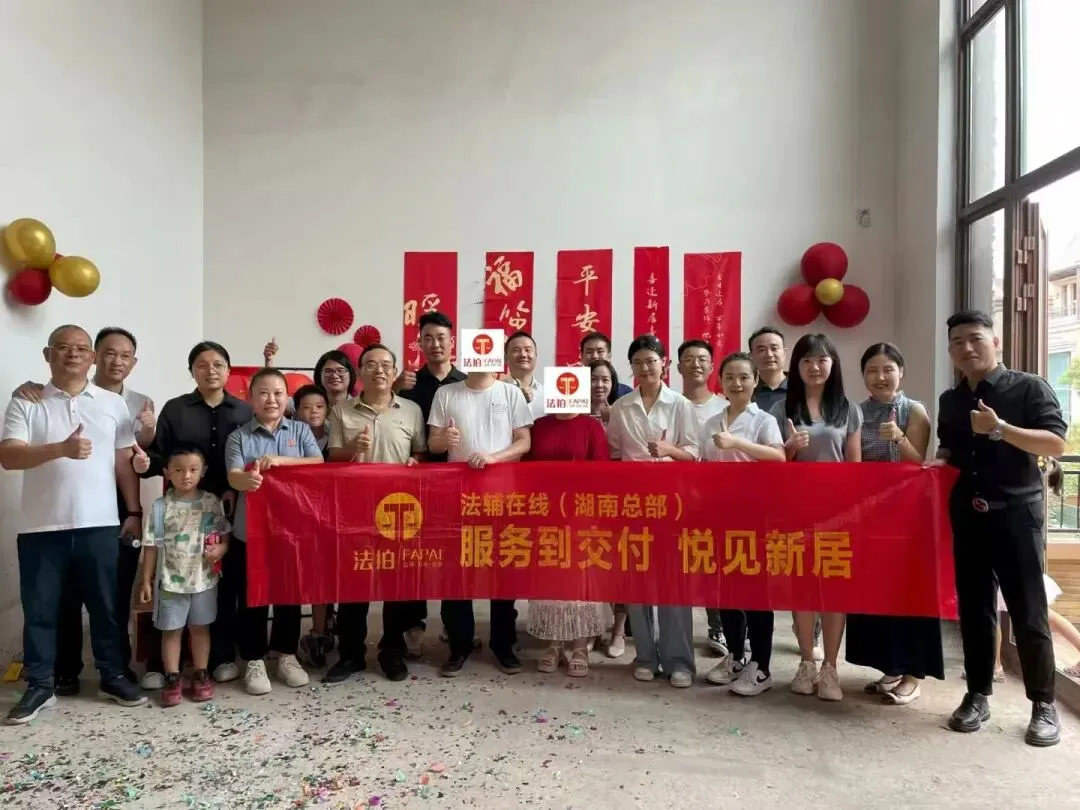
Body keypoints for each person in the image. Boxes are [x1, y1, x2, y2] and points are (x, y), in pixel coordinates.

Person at [1, 324, 148, 724]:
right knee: (40, 610)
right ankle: (40, 685)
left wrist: (134, 512)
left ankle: (112, 676)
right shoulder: (26, 401)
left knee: (106, 607)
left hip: (100, 524)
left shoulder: (112, 404)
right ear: (48, 355)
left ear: (92, 357)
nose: (73, 354)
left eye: (81, 348)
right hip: (40, 527)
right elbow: (9, 456)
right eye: (63, 347)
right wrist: (60, 449)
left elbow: (123, 462)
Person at [933, 309, 1064, 747]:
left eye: (975, 338)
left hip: (1017, 516)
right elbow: (949, 447)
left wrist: (1001, 428)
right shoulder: (951, 400)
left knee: (1028, 612)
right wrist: (938, 461)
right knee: (974, 610)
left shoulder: (1028, 387)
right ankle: (977, 694)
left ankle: (1043, 704)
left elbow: (1055, 442)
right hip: (968, 514)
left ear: (996, 342)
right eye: (958, 342)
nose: (967, 348)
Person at [144, 341, 252, 685]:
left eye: (218, 364)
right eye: (202, 365)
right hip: (183, 511)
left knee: (225, 583)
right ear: (192, 371)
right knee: (173, 581)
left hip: (230, 507)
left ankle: (220, 657)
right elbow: (158, 457)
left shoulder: (244, 411)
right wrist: (144, 461)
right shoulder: (175, 409)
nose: (210, 371)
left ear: (229, 370)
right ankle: (165, 665)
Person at [844, 342, 943, 705]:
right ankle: (891, 664)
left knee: (909, 591)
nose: (880, 377)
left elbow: (920, 463)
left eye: (888, 369)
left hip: (908, 515)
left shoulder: (913, 410)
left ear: (901, 372)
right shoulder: (856, 412)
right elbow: (853, 465)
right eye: (872, 370)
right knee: (877, 591)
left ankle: (914, 673)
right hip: (870, 515)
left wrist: (898, 438)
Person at [324, 344, 426, 684]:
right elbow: (332, 456)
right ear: (360, 372)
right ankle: (351, 654)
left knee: (396, 584)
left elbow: (421, 453)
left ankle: (391, 651)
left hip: (399, 509)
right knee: (353, 584)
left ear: (395, 371)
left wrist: (416, 462)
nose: (379, 370)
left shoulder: (411, 410)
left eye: (385, 364)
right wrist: (353, 449)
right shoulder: (341, 410)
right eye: (371, 364)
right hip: (354, 509)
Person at [771, 332, 862, 702]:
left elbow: (854, 466)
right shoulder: (782, 409)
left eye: (822, 359)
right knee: (803, 588)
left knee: (834, 590)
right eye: (806, 360)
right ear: (796, 366)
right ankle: (807, 661)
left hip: (837, 513)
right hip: (796, 511)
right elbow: (774, 465)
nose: (814, 367)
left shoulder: (848, 409)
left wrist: (852, 512)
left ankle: (831, 668)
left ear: (833, 364)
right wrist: (790, 449)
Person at [428, 367, 533, 676]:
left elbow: (524, 441)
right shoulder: (446, 393)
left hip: (503, 496)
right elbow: (433, 444)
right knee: (457, 572)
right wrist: (444, 439)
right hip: (457, 497)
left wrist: (493, 458)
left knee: (504, 571)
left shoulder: (510, 393)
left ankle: (503, 644)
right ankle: (459, 645)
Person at [225, 368, 324, 696]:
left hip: (291, 531)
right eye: (264, 393)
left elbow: (318, 463)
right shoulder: (239, 436)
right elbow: (233, 475)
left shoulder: (300, 430)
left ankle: (286, 654)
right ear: (251, 399)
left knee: (288, 595)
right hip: (250, 532)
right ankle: (253, 658)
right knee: (252, 596)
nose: (272, 399)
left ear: (287, 397)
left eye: (278, 393)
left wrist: (281, 461)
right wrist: (247, 480)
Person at [608, 335, 698, 687]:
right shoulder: (622, 407)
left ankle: (680, 661)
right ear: (631, 367)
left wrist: (669, 450)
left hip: (673, 505)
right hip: (634, 505)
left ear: (665, 364)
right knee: (638, 582)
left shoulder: (680, 405)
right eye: (638, 362)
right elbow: (615, 454)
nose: (645, 368)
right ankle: (645, 656)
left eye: (651, 361)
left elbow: (694, 455)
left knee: (674, 583)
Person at [699, 352, 785, 696]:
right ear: (720, 381)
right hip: (719, 516)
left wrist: (737, 443)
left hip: (755, 517)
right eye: (730, 377)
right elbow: (703, 466)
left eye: (744, 377)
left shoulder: (764, 420)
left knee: (756, 591)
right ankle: (735, 656)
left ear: (755, 381)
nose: (737, 384)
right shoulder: (711, 422)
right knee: (726, 588)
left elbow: (778, 457)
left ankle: (761, 666)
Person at [394, 311, 467, 657]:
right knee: (414, 554)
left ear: (452, 341)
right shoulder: (408, 384)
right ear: (419, 343)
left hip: (459, 482)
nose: (435, 344)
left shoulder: (467, 382)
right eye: (428, 338)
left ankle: (455, 628)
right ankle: (414, 625)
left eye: (441, 337)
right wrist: (394, 388)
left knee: (455, 554)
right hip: (416, 479)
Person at [136, 446, 230, 706]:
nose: (186, 476)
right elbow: (151, 545)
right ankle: (172, 677)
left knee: (200, 628)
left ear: (203, 472)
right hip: (170, 583)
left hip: (204, 581)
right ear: (167, 472)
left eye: (192, 470)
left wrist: (221, 549)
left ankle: (201, 673)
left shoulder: (211, 502)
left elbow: (224, 535)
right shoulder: (160, 507)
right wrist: (146, 580)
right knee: (171, 630)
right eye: (178, 470)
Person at [525, 409, 610, 677]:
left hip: (581, 513)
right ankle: (554, 644)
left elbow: (602, 470)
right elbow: (526, 468)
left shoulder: (591, 426)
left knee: (580, 580)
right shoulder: (539, 425)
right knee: (550, 578)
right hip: (546, 512)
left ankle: (581, 646)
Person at [677, 339, 728, 656]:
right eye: (689, 359)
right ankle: (674, 633)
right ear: (677, 366)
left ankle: (718, 627)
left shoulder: (724, 406)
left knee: (713, 564)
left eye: (702, 359)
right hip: (675, 497)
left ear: (712, 367)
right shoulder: (670, 403)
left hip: (714, 498)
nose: (695, 364)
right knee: (676, 566)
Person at [589, 359, 629, 657]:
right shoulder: (573, 412)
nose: (599, 385)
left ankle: (618, 630)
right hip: (585, 502)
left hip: (618, 499)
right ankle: (593, 627)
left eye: (605, 379)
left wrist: (612, 419)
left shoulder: (623, 411)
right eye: (594, 379)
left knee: (619, 566)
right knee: (592, 565)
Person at [502, 330, 545, 422]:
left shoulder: (547, 394)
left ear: (536, 356)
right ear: (505, 358)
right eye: (516, 350)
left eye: (528, 350)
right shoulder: (496, 391)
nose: (523, 354)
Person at [580, 332, 633, 398]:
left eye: (600, 351)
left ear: (609, 356)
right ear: (582, 357)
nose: (595, 356)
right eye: (589, 352)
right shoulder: (572, 392)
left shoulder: (625, 393)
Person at [293, 385, 330, 458]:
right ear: (296, 413)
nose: (314, 411)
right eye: (307, 407)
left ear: (327, 410)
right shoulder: (291, 439)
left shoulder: (334, 436)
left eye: (319, 406)